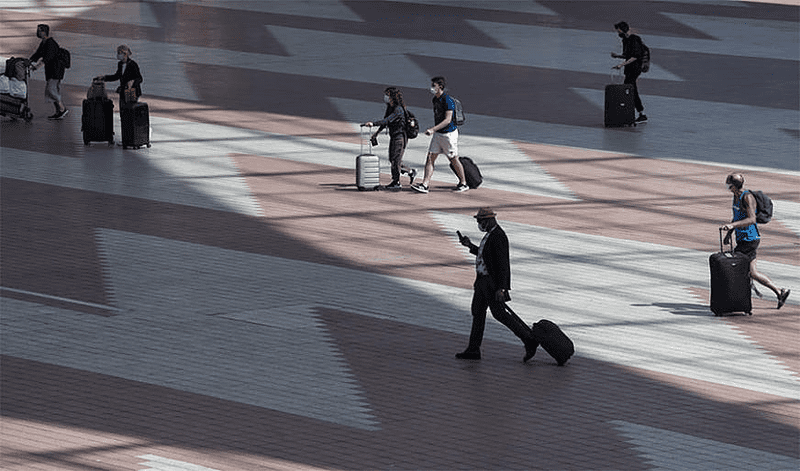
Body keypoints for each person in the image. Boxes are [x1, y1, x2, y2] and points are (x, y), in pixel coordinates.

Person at [456, 207, 538, 361]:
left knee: (500, 314)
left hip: (490, 283)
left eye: (480, 221)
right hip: (481, 282)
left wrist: (502, 288)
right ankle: (473, 349)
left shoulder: (498, 236)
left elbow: (502, 264)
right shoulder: (490, 235)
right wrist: (470, 246)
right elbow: (485, 254)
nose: (479, 224)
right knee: (478, 313)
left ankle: (528, 340)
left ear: (489, 220)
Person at [720, 174, 791, 309]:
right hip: (742, 238)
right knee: (752, 272)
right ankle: (779, 292)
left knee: (739, 268)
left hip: (750, 239)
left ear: (734, 186)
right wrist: (729, 234)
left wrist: (732, 227)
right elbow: (736, 217)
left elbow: (752, 219)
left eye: (729, 185)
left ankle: (739, 300)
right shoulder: (735, 197)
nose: (727, 188)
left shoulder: (747, 197)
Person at [411, 76, 468, 193]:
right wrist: (435, 130)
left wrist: (433, 129)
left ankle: (463, 183)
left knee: (453, 159)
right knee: (430, 157)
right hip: (438, 134)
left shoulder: (448, 100)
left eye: (433, 86)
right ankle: (425, 184)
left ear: (440, 87)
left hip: (449, 134)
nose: (431, 88)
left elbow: (448, 120)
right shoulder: (435, 100)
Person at [363, 87, 417, 190]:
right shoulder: (390, 107)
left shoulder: (398, 109)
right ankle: (410, 171)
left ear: (392, 97)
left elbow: (387, 120)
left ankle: (396, 182)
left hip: (400, 137)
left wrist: (373, 124)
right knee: (392, 159)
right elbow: (385, 121)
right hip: (394, 136)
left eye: (387, 95)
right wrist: (377, 133)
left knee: (395, 160)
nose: (386, 97)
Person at [29, 24, 68, 120]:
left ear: (44, 32)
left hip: (56, 70)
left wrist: (36, 67)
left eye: (39, 31)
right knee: (51, 90)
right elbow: (37, 54)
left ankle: (62, 108)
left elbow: (47, 58)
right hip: (52, 70)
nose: (37, 32)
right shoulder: (44, 42)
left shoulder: (50, 43)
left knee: (51, 90)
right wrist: (29, 61)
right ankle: (58, 112)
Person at [611, 21, 647, 123]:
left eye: (619, 30)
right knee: (631, 89)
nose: (618, 33)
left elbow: (635, 56)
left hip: (635, 68)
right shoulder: (625, 41)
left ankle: (637, 113)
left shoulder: (634, 39)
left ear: (623, 30)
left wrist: (621, 65)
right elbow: (627, 55)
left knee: (629, 89)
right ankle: (640, 113)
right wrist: (617, 56)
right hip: (629, 69)